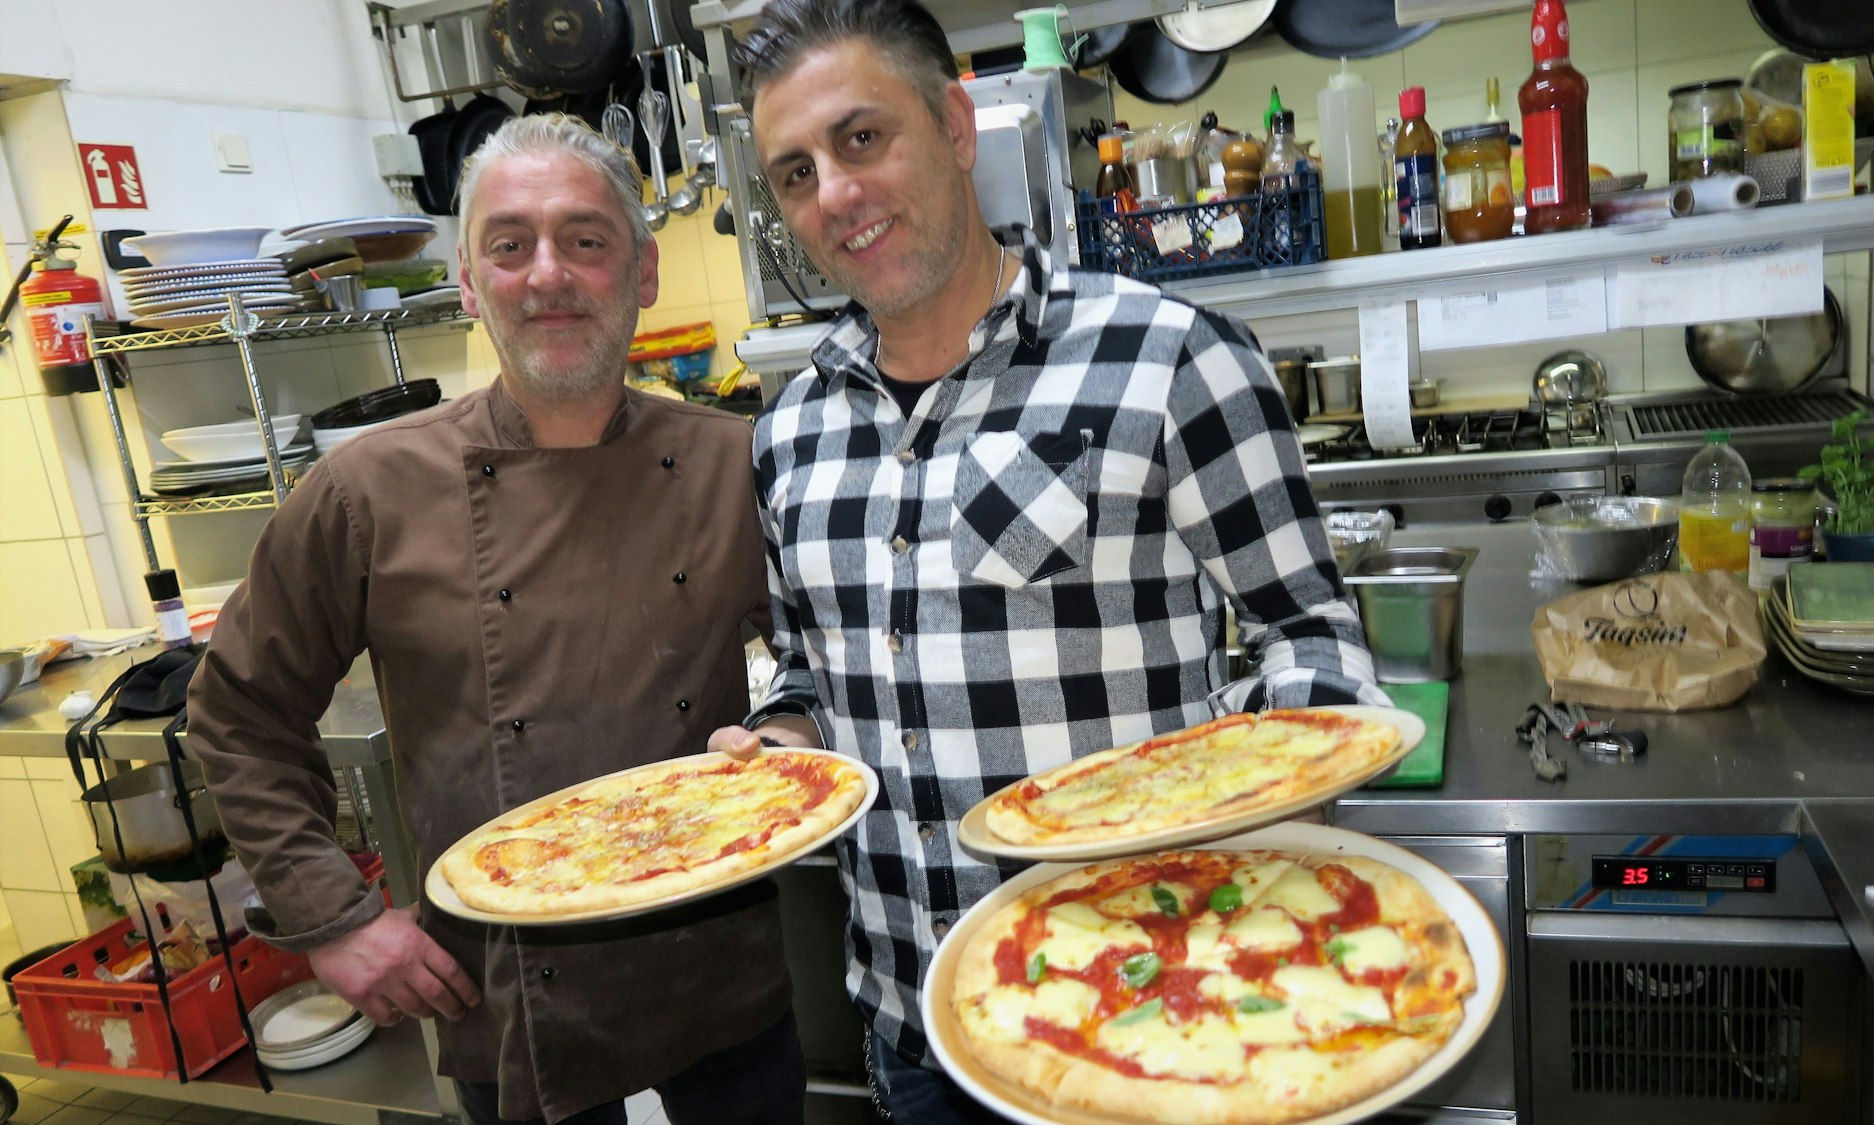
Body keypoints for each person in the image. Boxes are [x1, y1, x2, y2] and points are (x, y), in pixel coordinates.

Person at [708, 2, 1386, 1120]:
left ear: (957, 126)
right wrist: (778, 746)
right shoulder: (789, 434)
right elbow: (805, 678)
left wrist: (1265, 862)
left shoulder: (1167, 356)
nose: (831, 195)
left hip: (1155, 1006)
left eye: (861, 138)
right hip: (911, 1028)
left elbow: (1307, 636)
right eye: (792, 173)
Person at [188, 114, 805, 1125]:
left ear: (641, 274)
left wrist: (790, 730)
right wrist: (334, 919)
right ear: (469, 284)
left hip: (716, 980)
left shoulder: (731, 463)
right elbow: (239, 711)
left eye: (586, 240)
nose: (548, 274)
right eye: (509, 246)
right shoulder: (366, 490)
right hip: (507, 997)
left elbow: (825, 664)